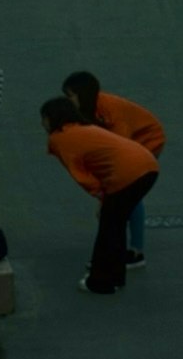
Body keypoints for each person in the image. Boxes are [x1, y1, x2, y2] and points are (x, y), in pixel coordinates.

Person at [42, 91, 161, 297]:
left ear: (51, 118)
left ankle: (101, 282)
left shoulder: (60, 138)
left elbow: (81, 175)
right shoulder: (85, 128)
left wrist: (100, 195)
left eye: (44, 117)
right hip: (147, 165)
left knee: (109, 227)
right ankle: (115, 276)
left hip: (126, 174)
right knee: (114, 224)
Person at [58, 66, 163, 263]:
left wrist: (105, 199)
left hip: (147, 140)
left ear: (83, 94)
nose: (68, 101)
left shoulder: (111, 111)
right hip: (129, 145)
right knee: (123, 194)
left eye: (70, 96)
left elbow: (122, 155)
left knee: (130, 188)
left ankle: (135, 251)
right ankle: (125, 246)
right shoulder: (88, 109)